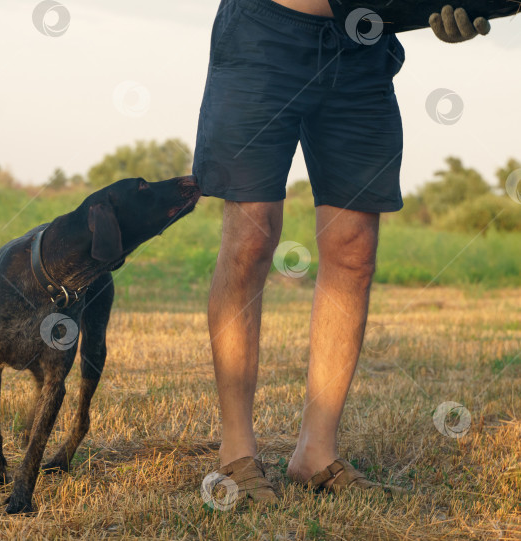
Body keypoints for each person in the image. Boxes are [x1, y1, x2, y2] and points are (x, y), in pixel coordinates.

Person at [193, 0, 489, 503]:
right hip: (265, 32)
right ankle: (237, 451)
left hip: (364, 41)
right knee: (251, 235)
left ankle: (316, 452)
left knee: (353, 248)